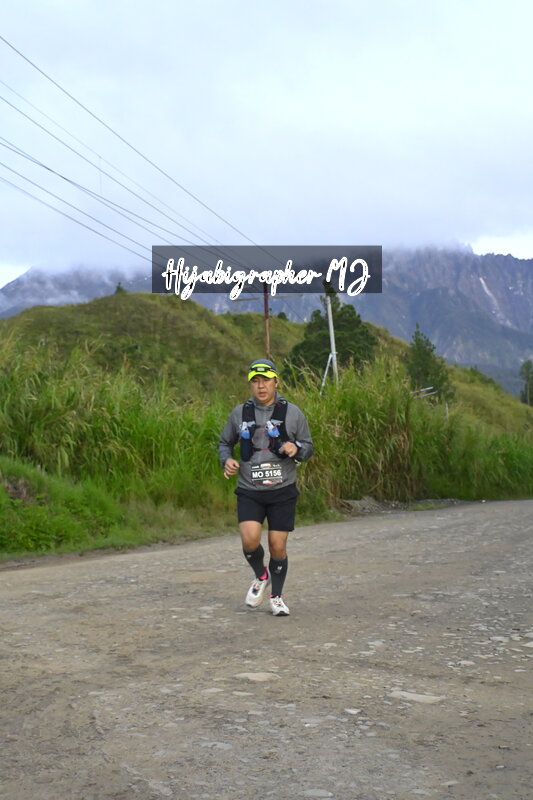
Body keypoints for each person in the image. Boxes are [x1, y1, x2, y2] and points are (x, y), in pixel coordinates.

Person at [218, 358, 313, 616]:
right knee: (249, 541)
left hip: (282, 489)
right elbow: (224, 443)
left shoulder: (293, 413)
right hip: (250, 488)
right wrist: (227, 460)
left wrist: (296, 448)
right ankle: (262, 576)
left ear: (276, 382)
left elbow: (308, 446)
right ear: (250, 385)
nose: (261, 386)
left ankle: (276, 597)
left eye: (266, 381)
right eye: (255, 382)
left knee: (276, 546)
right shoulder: (239, 413)